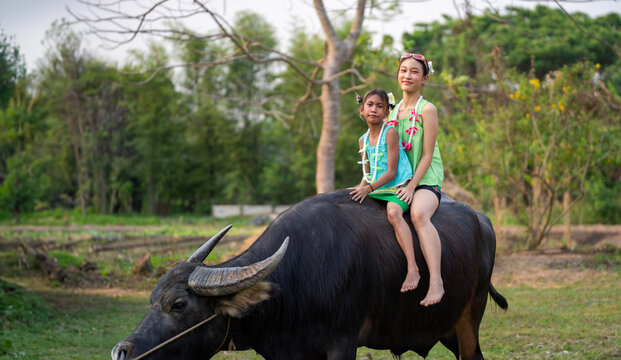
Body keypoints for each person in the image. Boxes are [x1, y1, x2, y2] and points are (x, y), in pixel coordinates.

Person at [387, 53, 445, 306]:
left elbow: (427, 154)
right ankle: (411, 268)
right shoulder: (390, 110)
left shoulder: (427, 109)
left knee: (419, 214)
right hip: (397, 179)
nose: (407, 76)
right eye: (403, 70)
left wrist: (412, 187)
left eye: (414, 72)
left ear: (424, 79)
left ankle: (436, 282)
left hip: (424, 179)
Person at [349, 88, 420, 295]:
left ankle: (412, 268)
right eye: (370, 105)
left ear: (387, 113)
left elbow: (391, 171)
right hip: (377, 187)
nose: (374, 110)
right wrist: (360, 186)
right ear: (362, 110)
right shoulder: (362, 140)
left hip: (397, 186)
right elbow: (368, 172)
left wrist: (368, 188)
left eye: (380, 106)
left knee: (393, 213)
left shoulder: (390, 133)